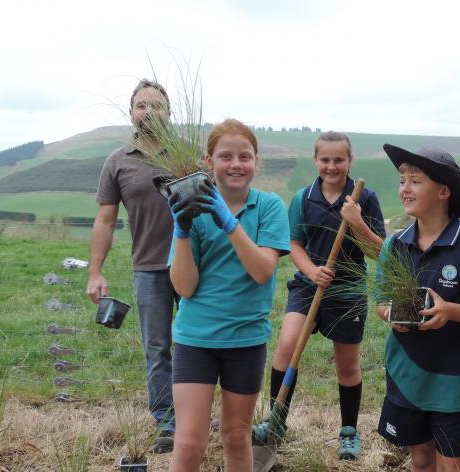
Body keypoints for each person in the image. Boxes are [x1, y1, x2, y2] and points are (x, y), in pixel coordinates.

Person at [253, 132, 385, 460]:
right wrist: (312, 272)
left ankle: (349, 432)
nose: (331, 166)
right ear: (315, 161)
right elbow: (294, 244)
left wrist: (355, 222)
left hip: (349, 290)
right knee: (286, 347)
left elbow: (378, 251)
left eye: (339, 160)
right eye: (325, 160)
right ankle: (276, 420)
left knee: (347, 365)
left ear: (350, 161)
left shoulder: (364, 199)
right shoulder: (303, 197)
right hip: (309, 285)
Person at [167, 119, 290, 471]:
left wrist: (228, 221)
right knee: (189, 442)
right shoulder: (190, 209)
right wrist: (182, 231)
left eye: (245, 156)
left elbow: (262, 270)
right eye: (225, 156)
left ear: (257, 162)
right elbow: (184, 287)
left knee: (237, 437)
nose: (236, 164)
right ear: (208, 161)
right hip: (196, 340)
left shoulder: (269, 207)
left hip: (245, 340)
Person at [374, 144, 460, 472]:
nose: (405, 188)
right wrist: (390, 313)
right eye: (402, 180)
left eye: (415, 181)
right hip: (406, 373)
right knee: (420, 458)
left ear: (443, 191)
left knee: (451, 463)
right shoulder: (394, 245)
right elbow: (381, 300)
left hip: (453, 380)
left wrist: (450, 311)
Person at [88, 78, 177, 452]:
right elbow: (105, 221)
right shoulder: (118, 161)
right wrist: (95, 271)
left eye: (156, 105)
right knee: (157, 349)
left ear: (169, 113)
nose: (149, 112)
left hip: (197, 268)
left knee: (196, 346)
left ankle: (196, 413)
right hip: (149, 268)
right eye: (142, 105)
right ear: (132, 113)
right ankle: (167, 423)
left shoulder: (188, 155)